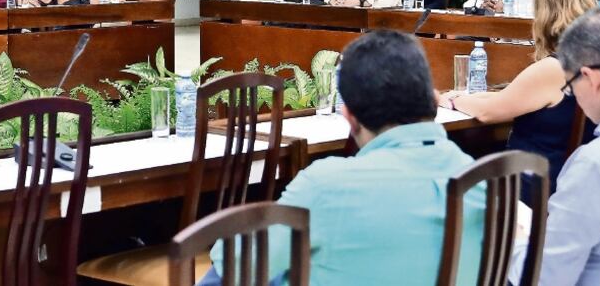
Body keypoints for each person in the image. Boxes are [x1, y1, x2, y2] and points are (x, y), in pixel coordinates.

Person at [201, 30, 485, 286]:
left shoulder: (326, 186)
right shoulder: (485, 184)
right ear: (432, 100)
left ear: (349, 116)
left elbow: (237, 265)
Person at [439, 0, 596, 199]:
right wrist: (469, 98)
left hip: (529, 187)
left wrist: (451, 100)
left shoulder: (553, 68)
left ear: (545, 12)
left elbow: (488, 113)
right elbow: (513, 98)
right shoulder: (592, 62)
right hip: (570, 183)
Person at [509, 9, 600, 286]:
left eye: (569, 84)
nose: (572, 94)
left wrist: (515, 239)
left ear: (592, 79)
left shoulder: (595, 164)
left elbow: (541, 276)